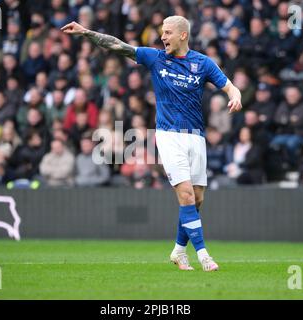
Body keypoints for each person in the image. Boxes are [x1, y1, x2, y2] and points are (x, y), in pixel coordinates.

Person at [61, 15, 242, 272]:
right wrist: (86, 32)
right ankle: (204, 256)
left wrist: (235, 96)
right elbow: (118, 45)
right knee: (187, 195)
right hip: (168, 136)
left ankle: (179, 251)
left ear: (183, 35)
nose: (162, 37)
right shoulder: (156, 58)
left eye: (167, 33)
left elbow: (230, 86)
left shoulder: (202, 63)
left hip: (196, 137)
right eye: (162, 32)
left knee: (196, 200)